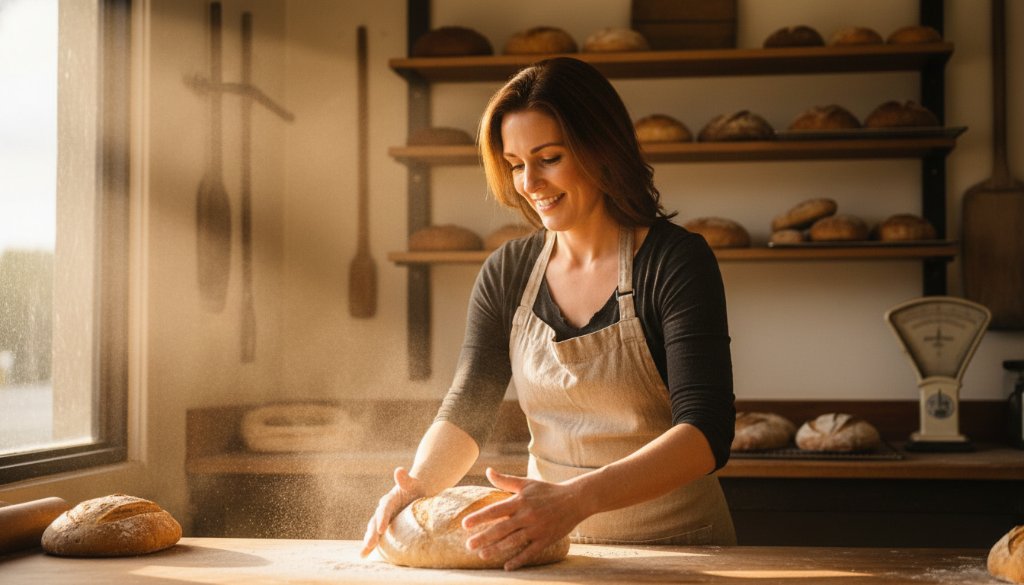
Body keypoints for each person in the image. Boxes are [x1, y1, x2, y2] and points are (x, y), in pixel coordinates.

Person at [361, 56, 736, 570]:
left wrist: (576, 500)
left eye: (550, 158)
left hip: (682, 551)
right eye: (516, 164)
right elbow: (469, 406)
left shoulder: (675, 262)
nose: (530, 182)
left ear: (602, 148)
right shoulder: (508, 272)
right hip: (547, 553)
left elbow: (706, 432)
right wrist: (418, 485)